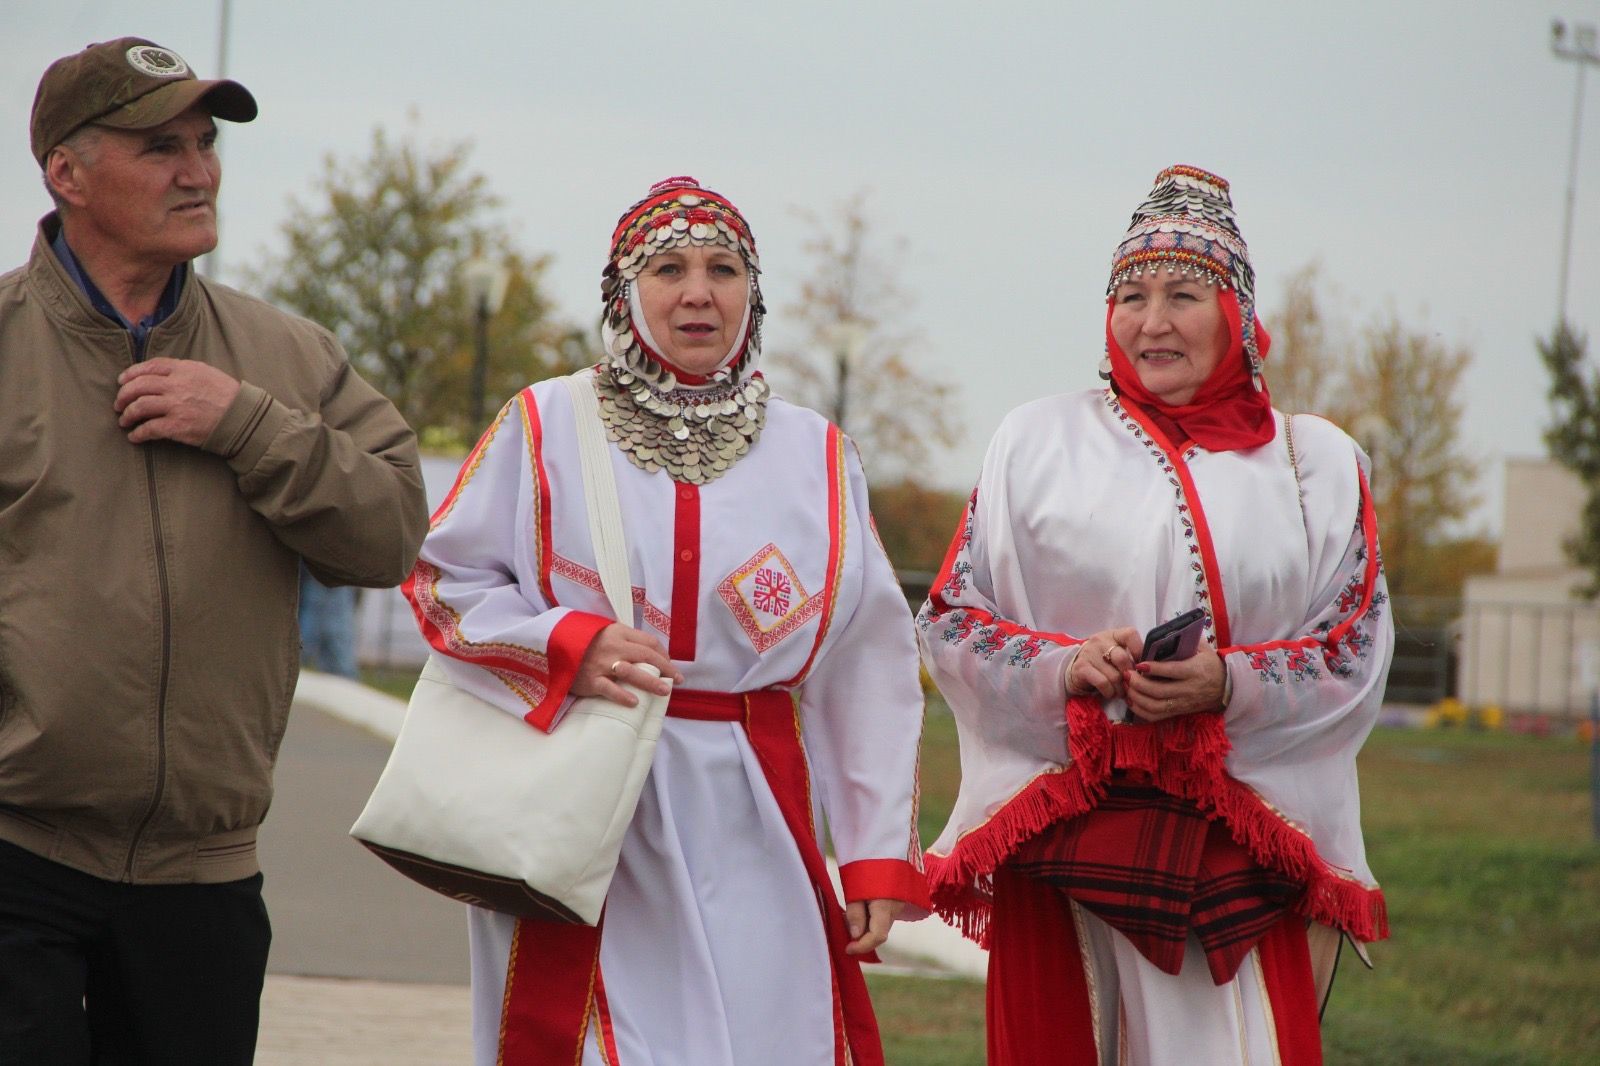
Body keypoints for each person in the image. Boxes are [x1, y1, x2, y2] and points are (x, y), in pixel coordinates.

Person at [405, 176, 929, 1065]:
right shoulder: (548, 424)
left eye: (723, 269)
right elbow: (443, 584)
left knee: (765, 1035)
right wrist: (568, 643)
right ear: (623, 292)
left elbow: (865, 668)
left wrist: (876, 854)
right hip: (580, 799)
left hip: (750, 812)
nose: (698, 291)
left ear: (752, 294)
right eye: (668, 268)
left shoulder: (817, 455)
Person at [0, 38, 428, 1065]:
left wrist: (251, 426)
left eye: (205, 142)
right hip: (17, 865)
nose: (199, 170)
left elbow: (392, 532)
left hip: (206, 882)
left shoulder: (287, 357)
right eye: (160, 146)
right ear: (68, 173)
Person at [918, 165, 1393, 1064]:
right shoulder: (1036, 439)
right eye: (1131, 295)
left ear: (1238, 315)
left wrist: (1232, 683)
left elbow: (1354, 648)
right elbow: (950, 619)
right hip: (1070, 835)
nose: (1153, 320)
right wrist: (1066, 668)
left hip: (1240, 847)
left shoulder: (1316, 465)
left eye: (1184, 293)